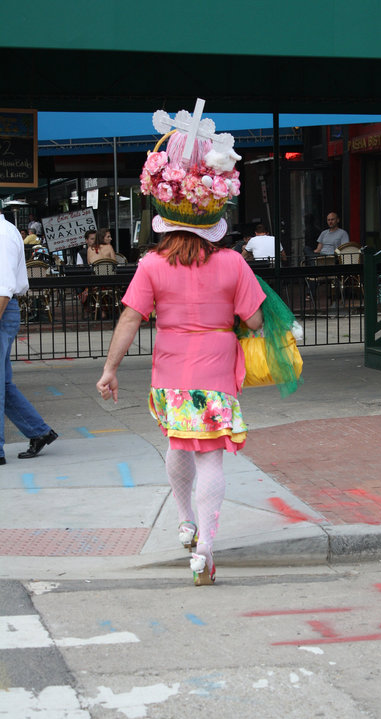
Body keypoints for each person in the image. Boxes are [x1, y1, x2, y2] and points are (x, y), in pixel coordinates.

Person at [96, 108, 265, 586]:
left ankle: (184, 520)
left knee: (177, 444)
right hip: (216, 370)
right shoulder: (233, 263)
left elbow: (131, 317)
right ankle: (205, 549)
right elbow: (253, 319)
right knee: (211, 453)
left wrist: (110, 369)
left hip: (170, 371)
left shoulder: (151, 265)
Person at [0, 206, 58, 465]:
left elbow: (3, 288)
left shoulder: (1, 233)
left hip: (3, 307)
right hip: (5, 307)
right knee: (4, 383)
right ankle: (39, 431)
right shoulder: (7, 230)